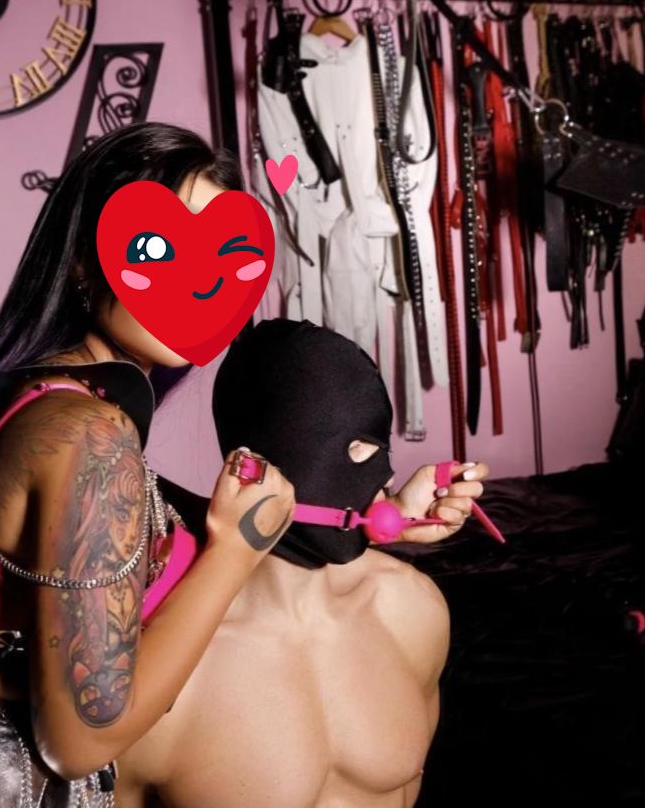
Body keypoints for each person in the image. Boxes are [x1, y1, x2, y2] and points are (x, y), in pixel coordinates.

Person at [0, 122, 297, 805]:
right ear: (84, 264)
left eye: (224, 254)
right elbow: (80, 738)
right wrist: (234, 556)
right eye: (158, 248)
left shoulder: (30, 401)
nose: (201, 279)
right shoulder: (89, 438)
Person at [115, 318, 489, 808]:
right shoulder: (167, 676)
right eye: (351, 450)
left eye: (379, 447)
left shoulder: (412, 610)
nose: (381, 476)